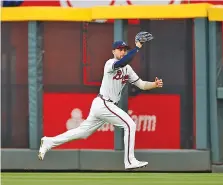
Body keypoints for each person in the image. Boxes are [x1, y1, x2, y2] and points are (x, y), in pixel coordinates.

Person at [38, 38, 163, 170]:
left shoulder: (128, 69)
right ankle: (130, 160)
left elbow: (142, 85)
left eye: (125, 50)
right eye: (120, 49)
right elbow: (123, 61)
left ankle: (49, 142)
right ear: (113, 51)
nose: (123, 52)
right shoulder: (110, 63)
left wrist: (154, 84)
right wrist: (137, 47)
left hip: (103, 105)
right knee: (130, 124)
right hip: (104, 103)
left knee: (83, 132)